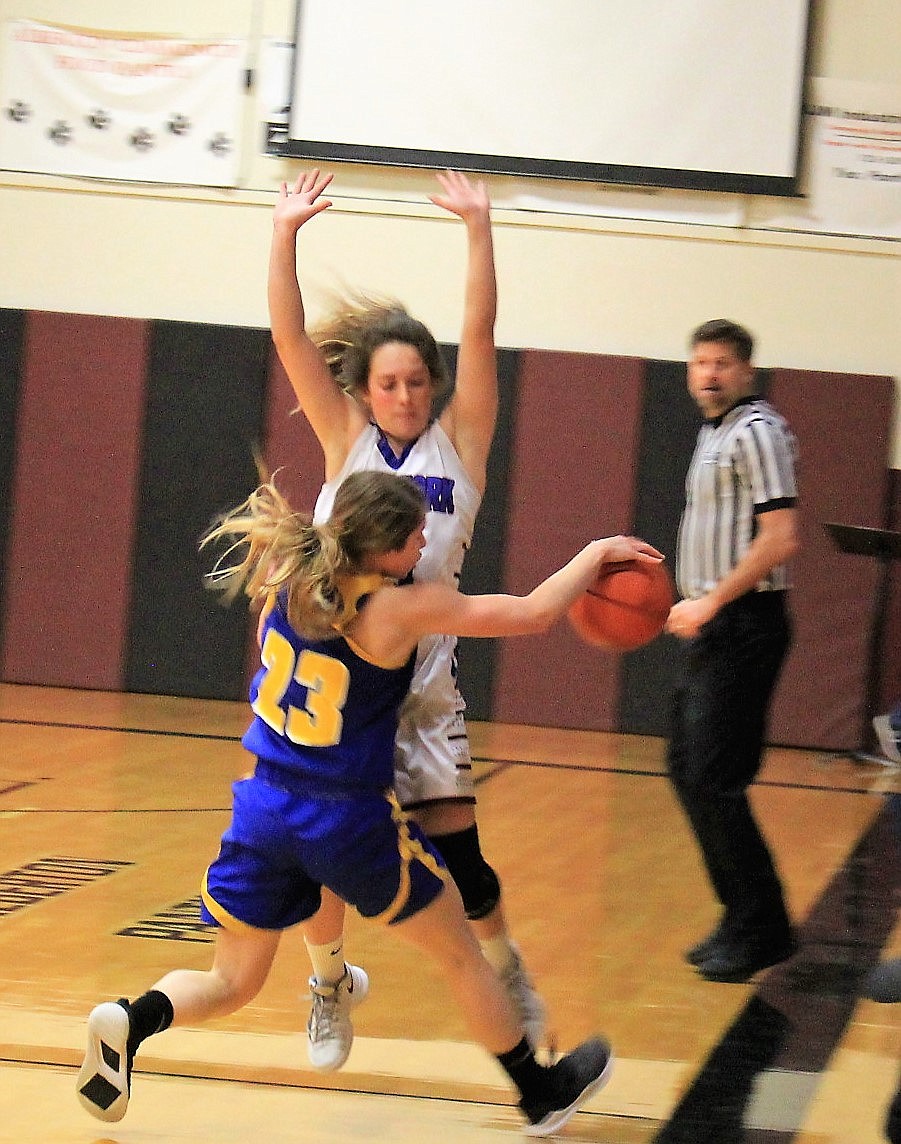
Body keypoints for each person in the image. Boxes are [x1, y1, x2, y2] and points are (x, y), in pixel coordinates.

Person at [76, 469, 663, 1134]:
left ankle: (132, 1019)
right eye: (413, 535)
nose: (422, 543)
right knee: (459, 955)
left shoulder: (286, 576)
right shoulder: (395, 608)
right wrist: (593, 554)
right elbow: (530, 613)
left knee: (232, 980)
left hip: (265, 805)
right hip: (345, 816)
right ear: (379, 548)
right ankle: (539, 1092)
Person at [268, 167, 545, 1069]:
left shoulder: (460, 441)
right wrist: (284, 235)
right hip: (344, 682)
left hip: (421, 682)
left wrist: (478, 230)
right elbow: (286, 337)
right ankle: (326, 984)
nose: (405, 396)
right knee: (322, 857)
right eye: (389, 384)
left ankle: (508, 971)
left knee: (463, 863)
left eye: (417, 381)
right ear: (365, 388)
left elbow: (480, 331)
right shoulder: (342, 439)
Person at [664, 318, 801, 984]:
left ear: (745, 371)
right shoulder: (710, 434)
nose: (709, 373)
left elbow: (778, 539)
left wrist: (710, 601)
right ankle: (741, 915)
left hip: (745, 625)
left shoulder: (759, 431)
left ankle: (763, 928)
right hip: (711, 626)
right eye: (699, 362)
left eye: (721, 362)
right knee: (687, 770)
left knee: (716, 780)